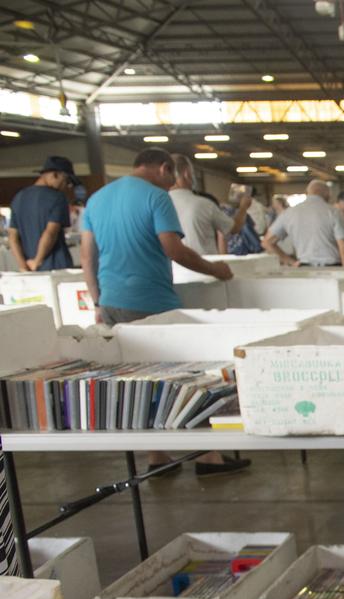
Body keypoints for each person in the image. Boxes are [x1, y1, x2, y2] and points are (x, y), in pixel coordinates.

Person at [79, 148, 248, 477]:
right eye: (172, 176)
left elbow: (87, 257)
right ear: (165, 168)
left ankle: (157, 456)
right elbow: (173, 249)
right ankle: (207, 456)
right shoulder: (156, 197)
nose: (173, 183)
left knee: (136, 379)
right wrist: (217, 271)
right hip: (152, 299)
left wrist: (98, 302)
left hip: (111, 300)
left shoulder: (97, 199)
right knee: (191, 377)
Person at [168, 154, 251, 256]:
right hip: (204, 266)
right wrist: (243, 207)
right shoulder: (204, 204)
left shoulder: (158, 204)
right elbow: (234, 228)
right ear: (187, 174)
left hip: (173, 269)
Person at [8, 155, 79, 272]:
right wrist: (38, 260)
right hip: (57, 266)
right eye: (67, 181)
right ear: (55, 175)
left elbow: (12, 237)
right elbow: (50, 232)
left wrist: (23, 265)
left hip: (29, 267)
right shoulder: (58, 198)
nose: (67, 186)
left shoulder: (19, 197)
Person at [262, 180, 344, 267]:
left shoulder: (289, 213)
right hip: (333, 267)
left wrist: (291, 262)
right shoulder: (334, 212)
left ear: (307, 192)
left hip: (304, 268)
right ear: (327, 194)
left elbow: (267, 242)